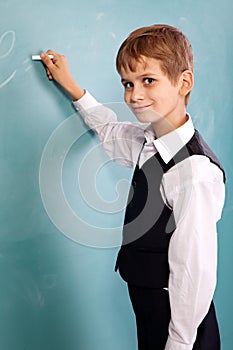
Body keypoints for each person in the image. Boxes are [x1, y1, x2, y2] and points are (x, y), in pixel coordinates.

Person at [40, 24, 225, 350]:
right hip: (149, 307)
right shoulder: (148, 140)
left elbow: (194, 270)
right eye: (128, 83)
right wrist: (72, 87)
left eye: (147, 81)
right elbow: (110, 131)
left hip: (180, 323)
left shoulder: (193, 172)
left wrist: (179, 344)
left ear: (184, 83)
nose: (134, 95)